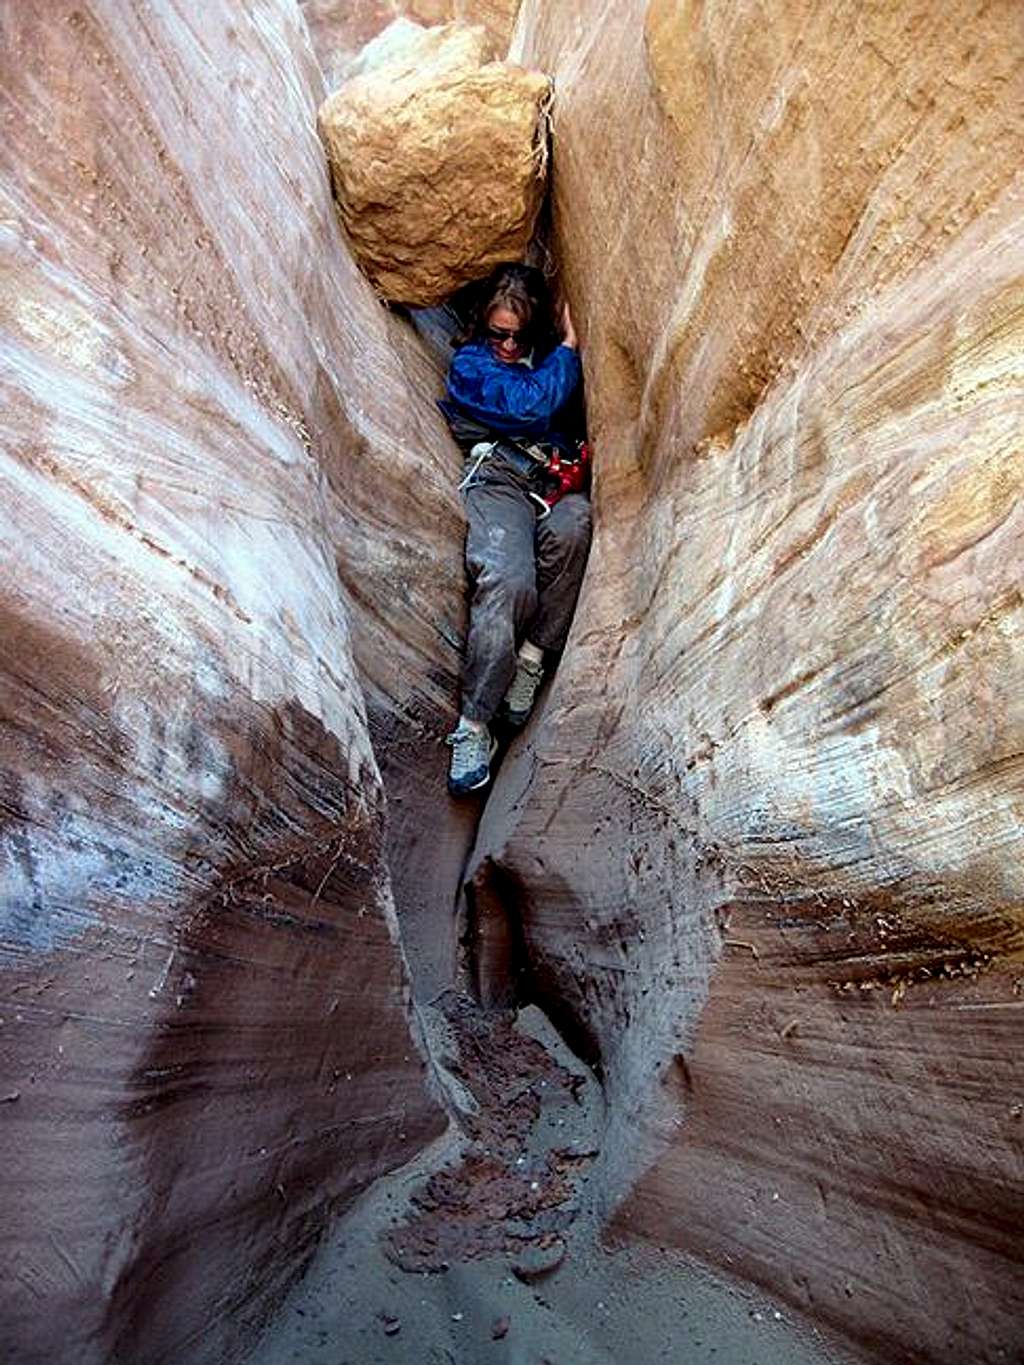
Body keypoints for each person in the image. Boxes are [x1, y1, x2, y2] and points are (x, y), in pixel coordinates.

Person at [440, 262, 592, 796]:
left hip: (550, 484)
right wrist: (570, 351)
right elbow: (529, 408)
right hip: (499, 479)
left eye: (517, 335)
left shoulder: (543, 360)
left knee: (578, 526)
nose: (506, 345)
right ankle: (474, 724)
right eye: (497, 333)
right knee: (506, 580)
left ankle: (531, 659)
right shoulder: (470, 365)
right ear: (482, 325)